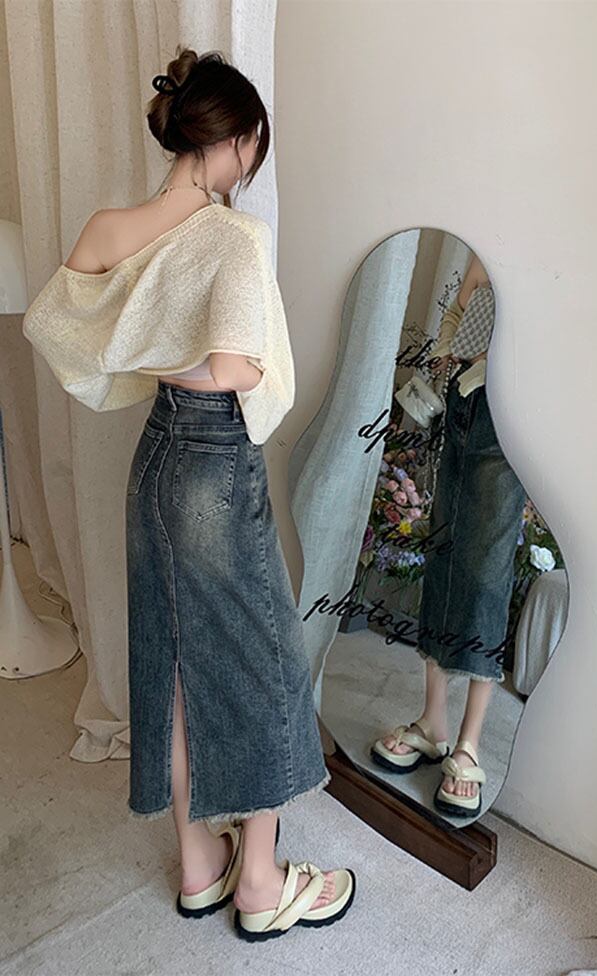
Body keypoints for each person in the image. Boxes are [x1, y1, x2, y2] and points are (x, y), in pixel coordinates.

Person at [22, 46, 355, 941]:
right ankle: (261, 882)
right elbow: (238, 368)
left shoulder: (108, 228)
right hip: (214, 459)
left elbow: (56, 327)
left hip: (156, 456)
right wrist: (191, 362)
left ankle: (200, 865)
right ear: (236, 141)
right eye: (254, 148)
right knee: (262, 660)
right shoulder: (234, 237)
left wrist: (149, 360)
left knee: (168, 659)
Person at [371, 255, 527, 818]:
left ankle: (469, 743)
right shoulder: (486, 236)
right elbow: (463, 307)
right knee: (443, 555)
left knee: (486, 571)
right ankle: (434, 722)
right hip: (462, 398)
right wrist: (445, 351)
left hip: (515, 408)